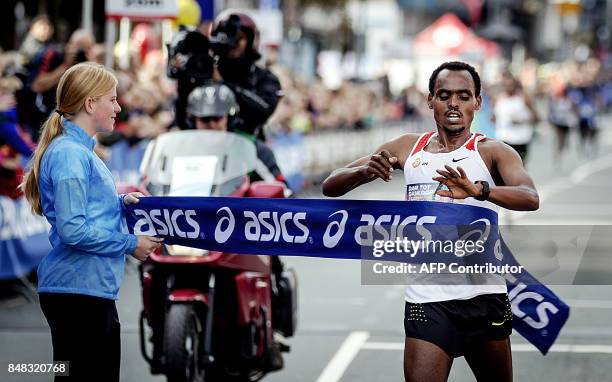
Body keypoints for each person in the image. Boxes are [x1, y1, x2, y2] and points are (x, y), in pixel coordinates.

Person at [322, 61, 539, 382]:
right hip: (428, 299)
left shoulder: (493, 151)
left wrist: (479, 191)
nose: (454, 104)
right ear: (430, 100)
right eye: (444, 95)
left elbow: (530, 197)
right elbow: (331, 184)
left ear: (478, 102)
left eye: (464, 96)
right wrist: (363, 172)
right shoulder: (408, 147)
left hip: (484, 297)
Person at [20, 62, 163, 382]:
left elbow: (81, 212)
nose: (119, 107)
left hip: (86, 288)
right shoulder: (70, 154)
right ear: (89, 103)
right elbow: (73, 229)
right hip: (78, 290)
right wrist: (131, 243)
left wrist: (119, 204)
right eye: (112, 99)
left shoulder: (76, 151)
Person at [493, 75, 539, 163]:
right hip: (504, 139)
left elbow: (536, 118)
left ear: (516, 85)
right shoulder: (499, 98)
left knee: (520, 168)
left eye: (511, 85)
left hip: (520, 140)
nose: (508, 87)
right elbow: (494, 117)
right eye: (505, 85)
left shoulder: (524, 98)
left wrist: (521, 121)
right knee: (504, 169)